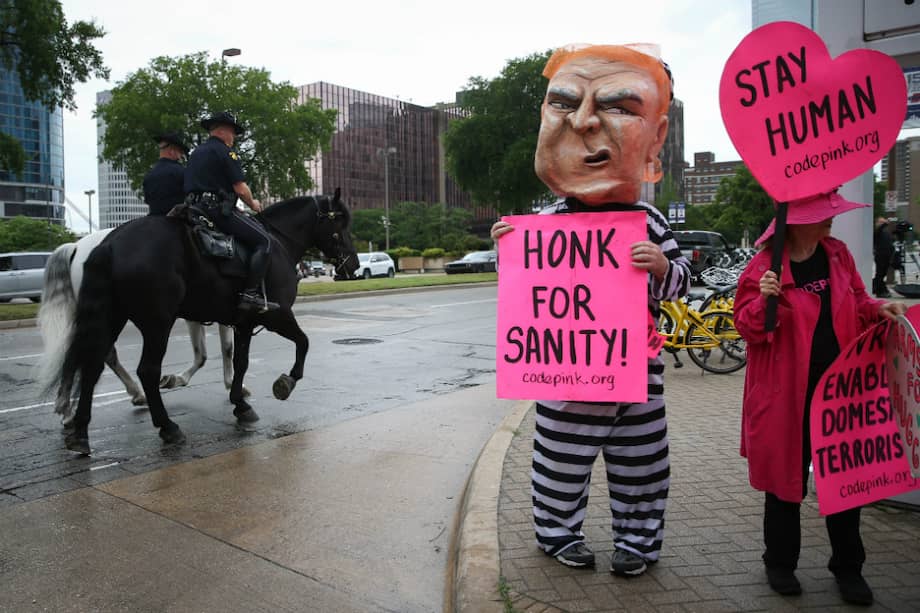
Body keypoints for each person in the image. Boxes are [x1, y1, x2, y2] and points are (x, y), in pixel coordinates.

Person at [491, 43, 691, 576]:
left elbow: (679, 290)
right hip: (567, 379)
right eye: (564, 104)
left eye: (619, 108)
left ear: (655, 136)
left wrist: (661, 269)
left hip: (638, 377)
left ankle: (638, 543)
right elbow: (521, 297)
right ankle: (557, 535)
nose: (584, 123)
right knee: (558, 465)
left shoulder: (650, 222)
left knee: (643, 468)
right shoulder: (546, 222)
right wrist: (507, 250)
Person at [734, 192, 907, 605]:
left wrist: (881, 308)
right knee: (784, 482)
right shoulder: (764, 267)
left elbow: (860, 300)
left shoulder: (837, 254)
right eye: (823, 216)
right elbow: (747, 327)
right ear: (797, 223)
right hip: (784, 395)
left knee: (847, 479)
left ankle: (849, 567)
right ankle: (779, 563)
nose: (831, 222)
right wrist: (764, 300)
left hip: (840, 392)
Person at [184, 111, 277, 312]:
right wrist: (253, 204)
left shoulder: (196, 153)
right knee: (265, 241)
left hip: (194, 209)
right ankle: (250, 294)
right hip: (216, 209)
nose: (234, 138)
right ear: (225, 131)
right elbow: (240, 188)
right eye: (233, 133)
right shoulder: (226, 153)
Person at [143, 132, 189, 216]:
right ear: (172, 152)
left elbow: (147, 200)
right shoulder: (182, 171)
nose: (181, 156)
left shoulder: (149, 175)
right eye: (180, 152)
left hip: (153, 217)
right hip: (177, 218)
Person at [872, 215, 893, 297]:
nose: (882, 223)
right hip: (880, 256)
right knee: (880, 274)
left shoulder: (886, 233)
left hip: (887, 256)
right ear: (877, 223)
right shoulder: (877, 232)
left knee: (883, 274)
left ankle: (881, 289)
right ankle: (879, 291)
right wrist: (885, 223)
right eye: (880, 222)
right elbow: (880, 229)